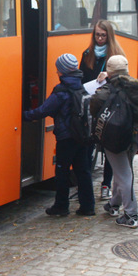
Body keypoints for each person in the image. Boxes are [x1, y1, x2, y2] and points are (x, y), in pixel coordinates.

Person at [24, 53, 95, 217]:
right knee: (83, 171)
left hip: (66, 138)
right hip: (82, 136)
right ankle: (88, 206)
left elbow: (43, 110)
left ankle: (61, 206)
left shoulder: (61, 91)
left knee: (62, 172)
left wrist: (24, 115)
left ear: (62, 71)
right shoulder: (80, 86)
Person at [90, 55, 138, 228]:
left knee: (123, 175)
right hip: (133, 136)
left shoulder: (106, 90)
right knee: (122, 170)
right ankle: (113, 205)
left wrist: (101, 83)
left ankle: (131, 214)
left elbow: (94, 107)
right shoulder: (136, 88)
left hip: (114, 137)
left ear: (109, 71)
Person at [79, 20, 126, 200]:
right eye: (97, 35)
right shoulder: (87, 54)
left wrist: (109, 75)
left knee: (108, 148)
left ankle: (106, 184)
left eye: (103, 35)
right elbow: (81, 77)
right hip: (91, 103)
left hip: (109, 105)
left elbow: (124, 80)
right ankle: (86, 187)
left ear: (109, 36)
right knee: (88, 144)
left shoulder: (116, 55)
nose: (99, 38)